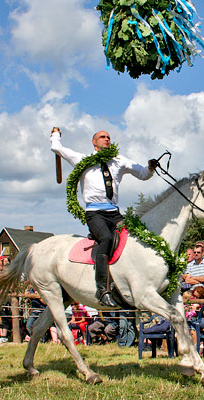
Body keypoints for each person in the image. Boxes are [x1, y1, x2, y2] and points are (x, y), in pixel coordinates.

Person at [50, 127, 157, 307]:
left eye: (108, 137)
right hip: (95, 213)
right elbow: (57, 149)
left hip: (114, 213)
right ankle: (102, 290)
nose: (106, 139)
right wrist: (55, 135)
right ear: (94, 142)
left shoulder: (118, 161)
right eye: (102, 137)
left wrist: (151, 167)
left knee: (136, 237)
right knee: (106, 238)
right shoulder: (83, 160)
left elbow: (142, 173)